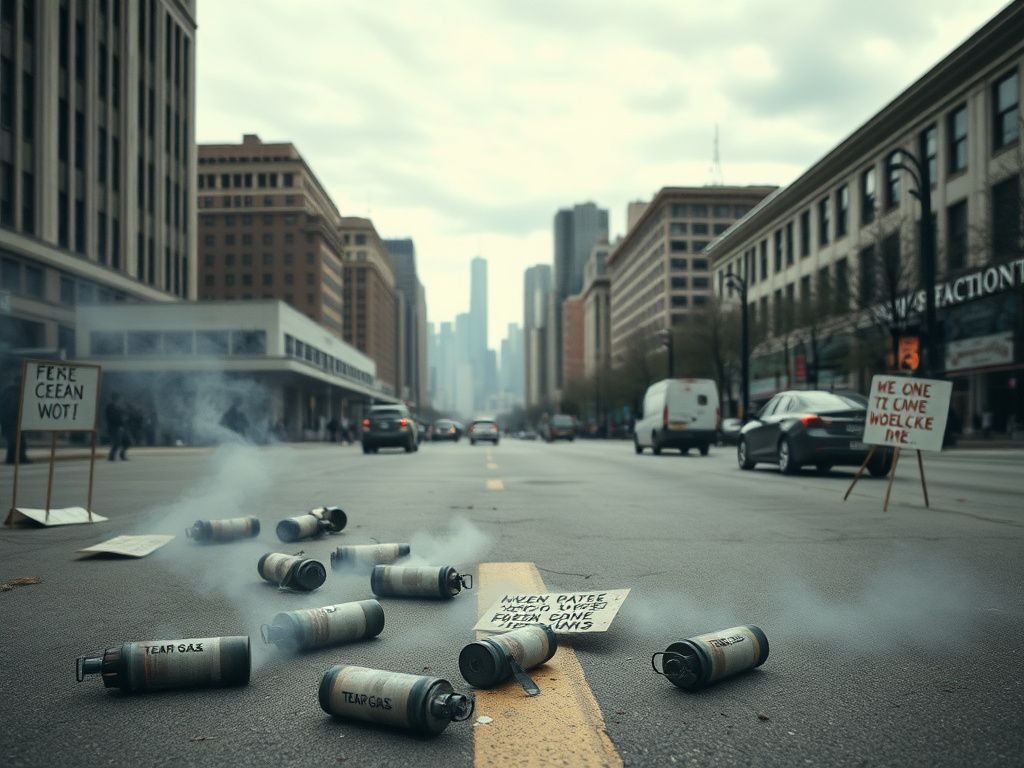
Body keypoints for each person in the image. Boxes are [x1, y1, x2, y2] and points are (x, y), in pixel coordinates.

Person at [1, 369, 29, 465]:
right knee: (15, 441)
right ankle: (14, 459)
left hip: (14, 422)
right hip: (12, 422)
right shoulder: (13, 392)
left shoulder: (13, 391)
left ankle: (19, 458)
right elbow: (11, 408)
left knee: (19, 441)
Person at [106, 393, 130, 461]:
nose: (121, 400)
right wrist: (121, 419)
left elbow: (124, 416)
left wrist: (125, 418)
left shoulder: (119, 407)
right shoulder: (110, 407)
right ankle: (111, 456)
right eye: (120, 399)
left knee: (128, 442)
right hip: (114, 428)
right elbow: (111, 418)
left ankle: (122, 454)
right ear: (116, 399)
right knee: (117, 443)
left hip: (121, 427)